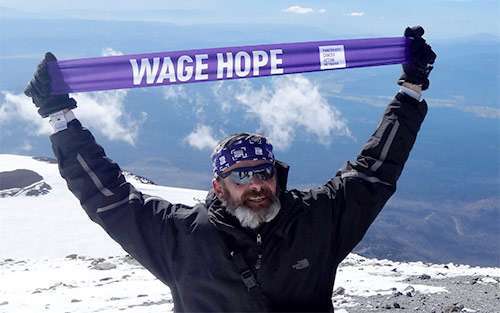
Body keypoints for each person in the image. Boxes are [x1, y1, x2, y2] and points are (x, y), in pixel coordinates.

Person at [24, 26, 436, 312]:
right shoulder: (179, 237)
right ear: (218, 186)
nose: (256, 183)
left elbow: (375, 173)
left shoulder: (318, 220)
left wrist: (411, 89)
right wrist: (60, 118)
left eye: (263, 171)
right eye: (241, 175)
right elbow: (107, 196)